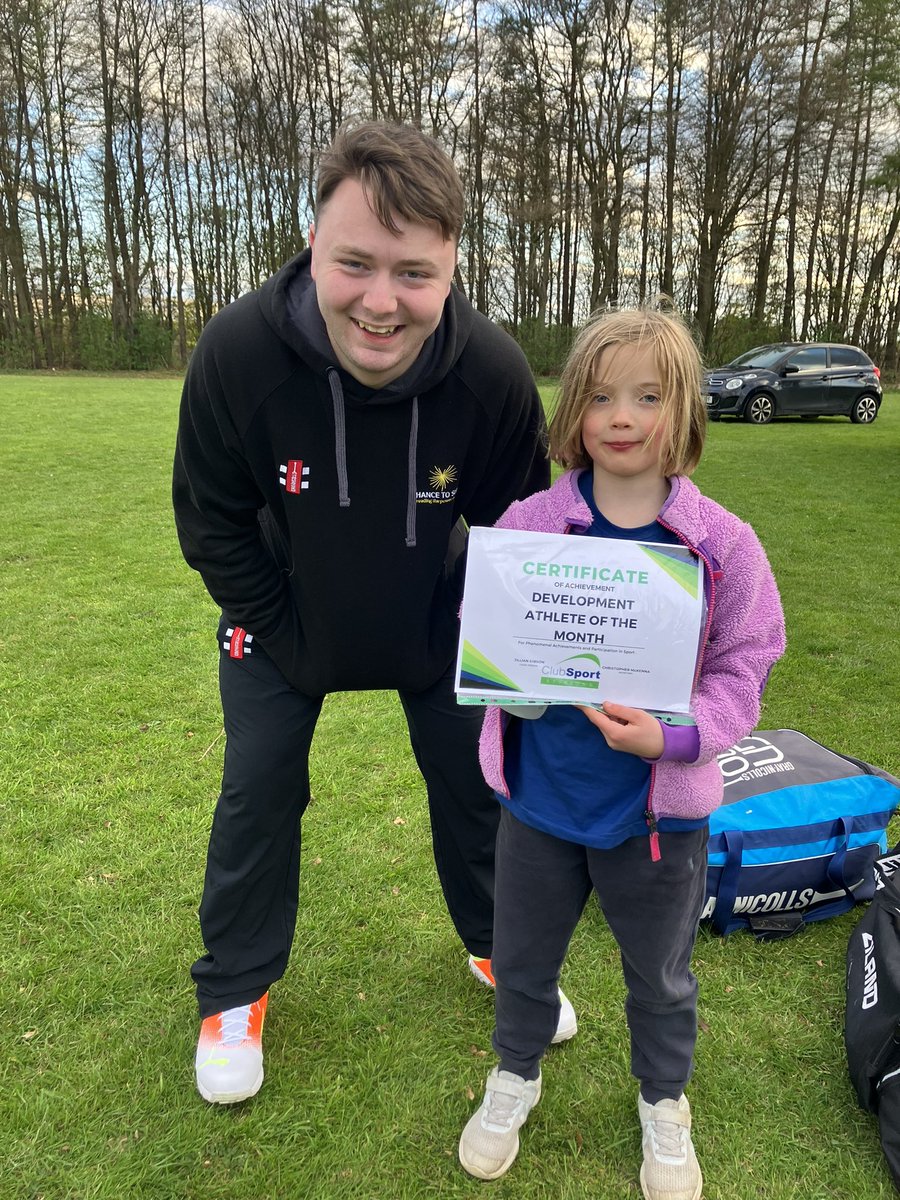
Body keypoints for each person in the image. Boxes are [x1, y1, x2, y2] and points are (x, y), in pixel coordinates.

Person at [172, 120, 576, 1107]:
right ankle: (234, 993)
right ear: (314, 244)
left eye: (414, 273)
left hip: (433, 623)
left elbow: (522, 534)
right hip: (280, 619)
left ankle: (497, 949)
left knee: (477, 782)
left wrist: (486, 641)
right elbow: (212, 522)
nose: (382, 303)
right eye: (355, 263)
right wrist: (288, 628)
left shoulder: (489, 372)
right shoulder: (237, 354)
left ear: (450, 268)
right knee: (259, 788)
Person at [457, 308, 786, 1199]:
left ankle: (665, 1105)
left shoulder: (722, 545)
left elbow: (746, 663)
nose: (622, 415)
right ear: (574, 411)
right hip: (539, 803)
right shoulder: (531, 522)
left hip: (655, 819)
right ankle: (513, 1074)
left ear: (684, 411)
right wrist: (506, 679)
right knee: (521, 962)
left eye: (648, 395)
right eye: (600, 395)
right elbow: (490, 636)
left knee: (661, 978)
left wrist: (677, 738)